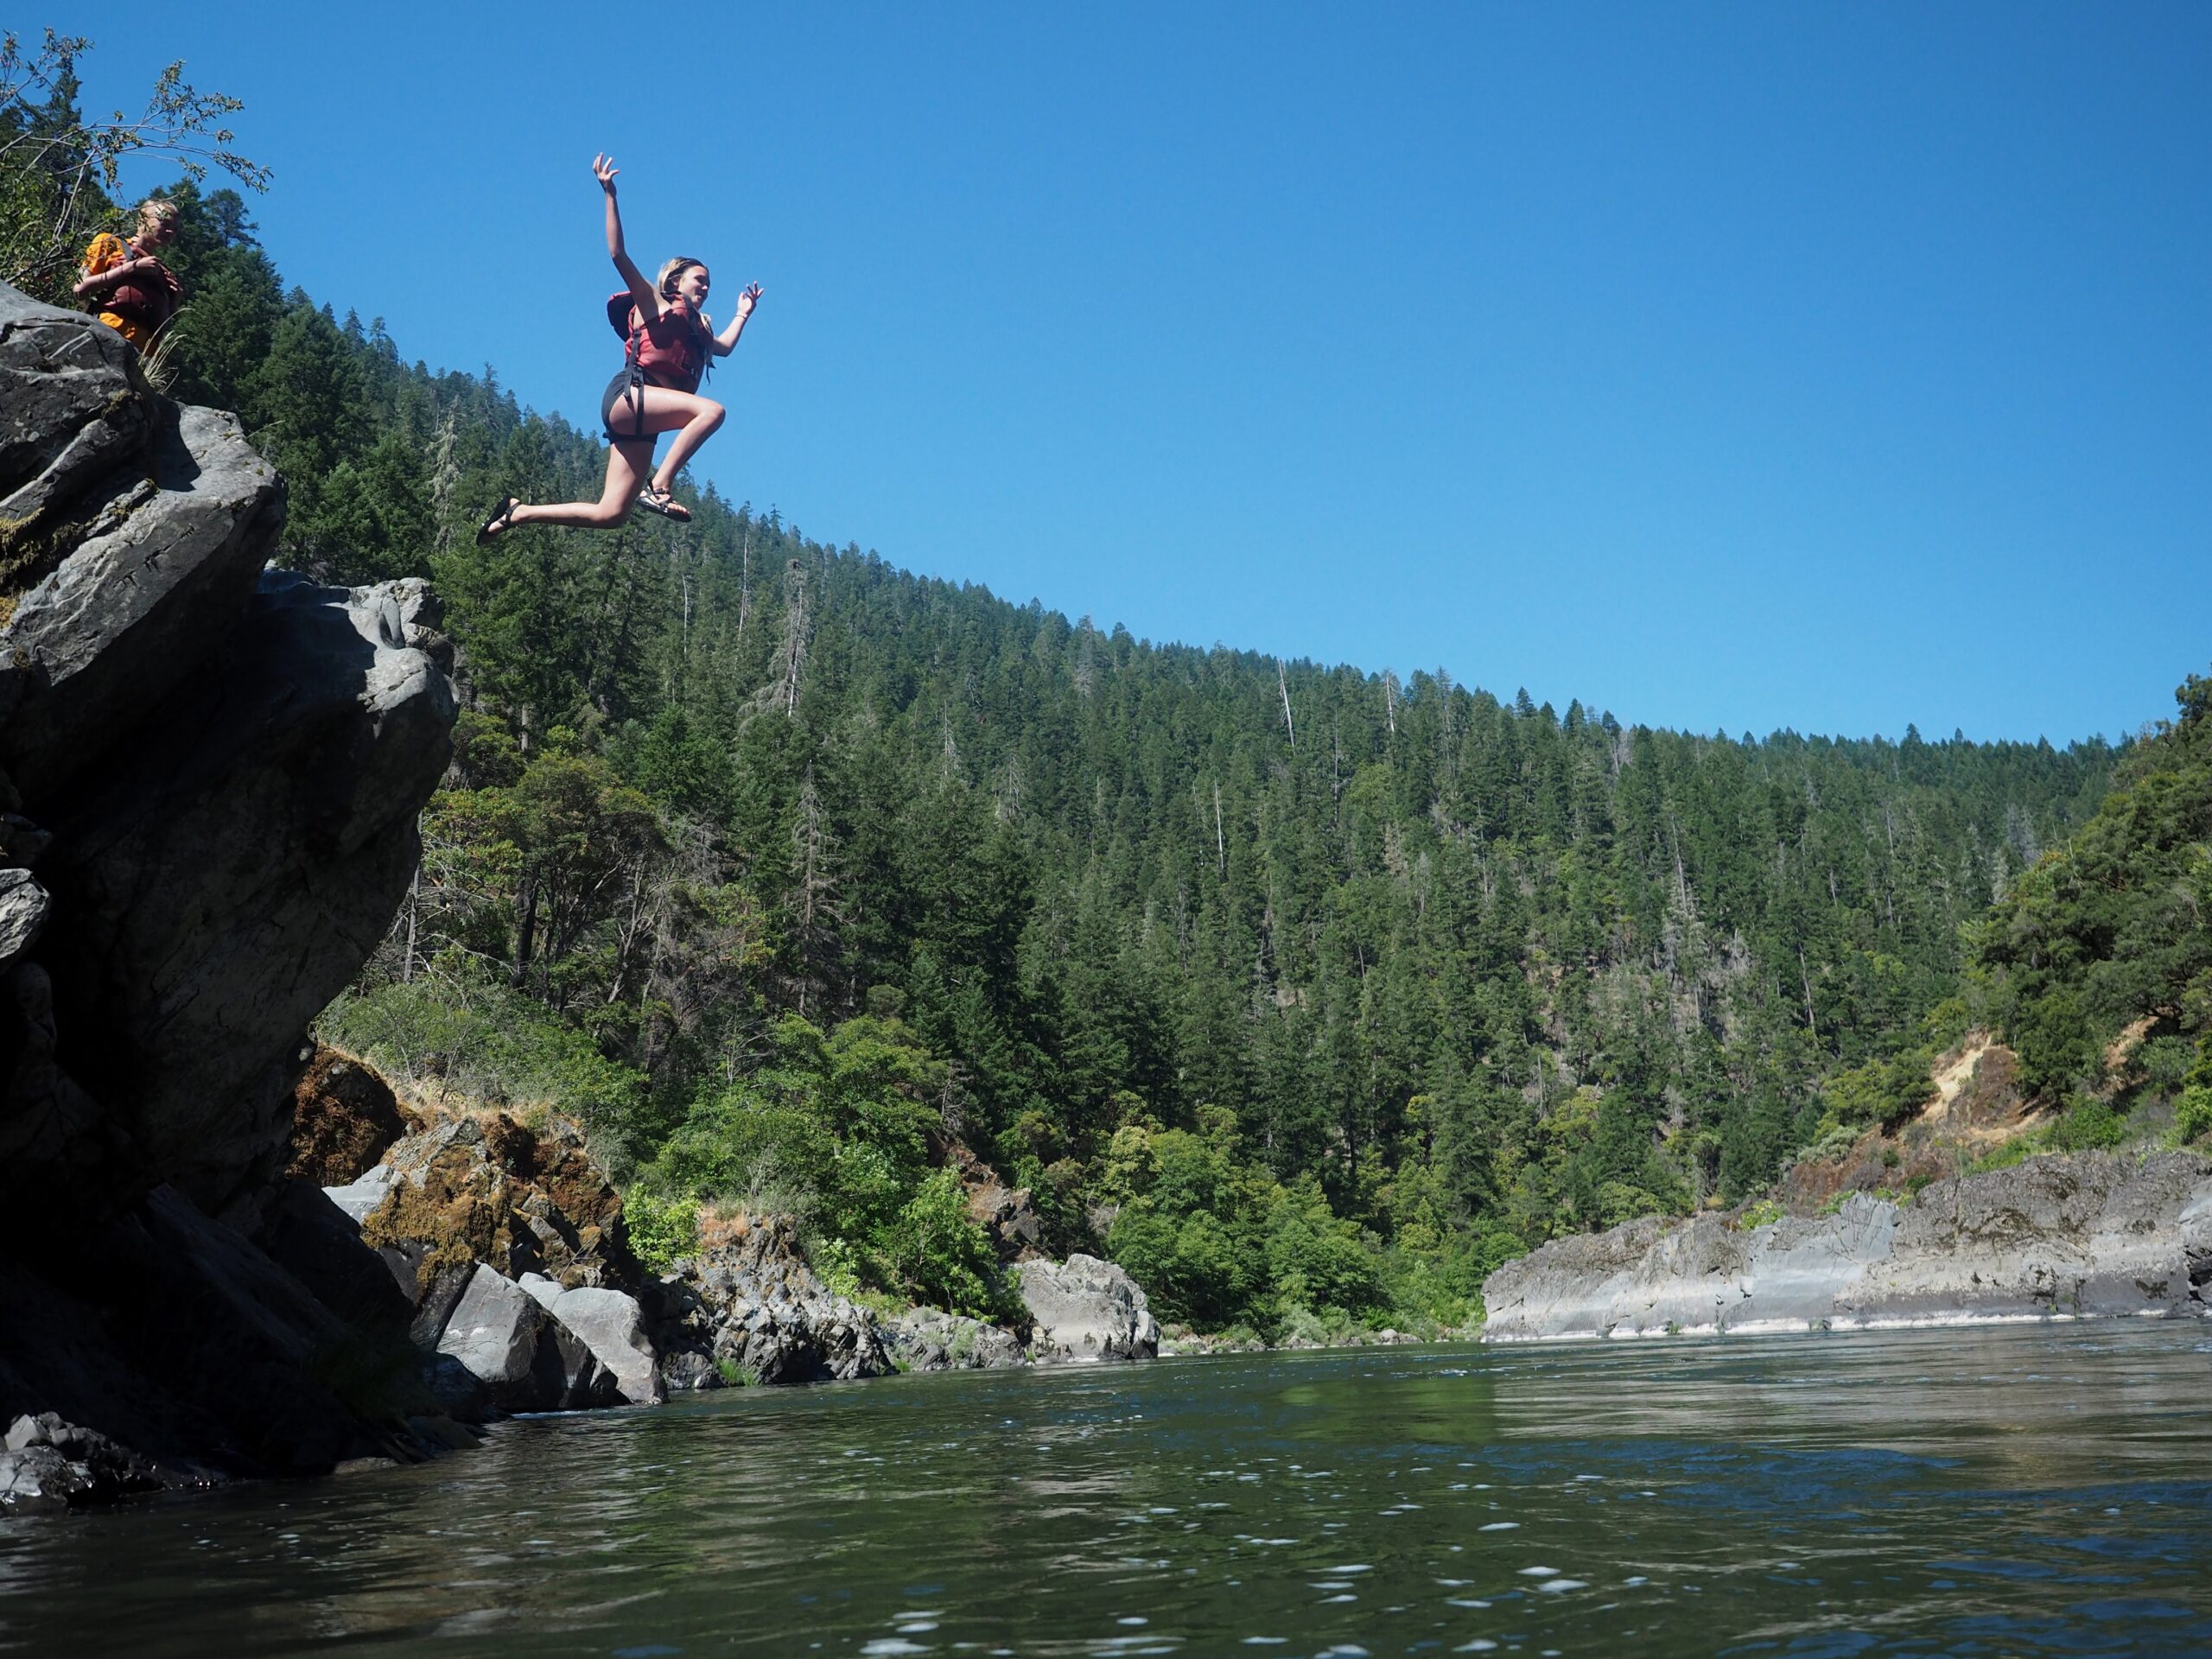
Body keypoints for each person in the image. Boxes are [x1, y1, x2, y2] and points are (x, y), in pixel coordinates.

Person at [480, 155, 760, 541]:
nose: (707, 287)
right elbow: (618, 254)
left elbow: (723, 347)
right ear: (676, 281)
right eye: (700, 279)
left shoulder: (697, 329)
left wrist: (743, 313)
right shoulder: (655, 303)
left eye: (710, 283)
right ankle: (659, 485)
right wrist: (609, 194)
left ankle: (517, 513)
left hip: (644, 417)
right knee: (712, 411)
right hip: (631, 396)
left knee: (611, 513)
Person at [73, 198, 184, 352]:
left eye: (175, 229)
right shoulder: (110, 243)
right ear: (143, 219)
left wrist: (175, 301)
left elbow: (163, 326)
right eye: (165, 223)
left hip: (145, 351)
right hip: (107, 335)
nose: (171, 231)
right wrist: (131, 268)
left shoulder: (163, 272)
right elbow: (79, 290)